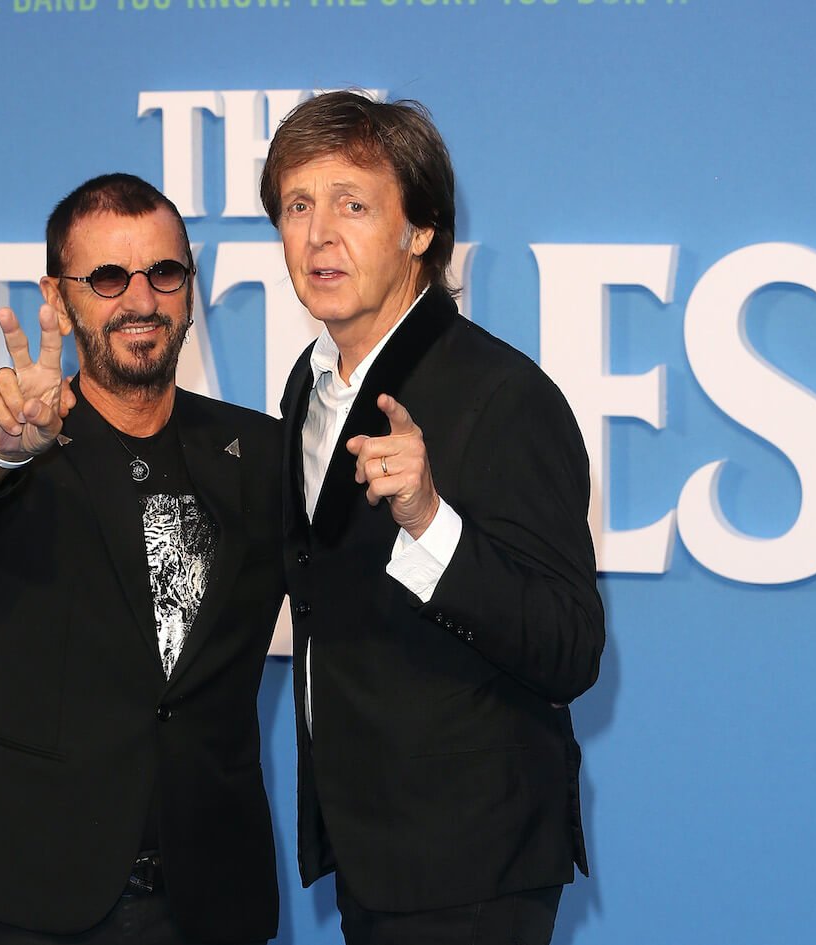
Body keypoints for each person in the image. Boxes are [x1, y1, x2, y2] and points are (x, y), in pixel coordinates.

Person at [0, 174, 283, 945]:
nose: (141, 300)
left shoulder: (259, 451)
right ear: (59, 295)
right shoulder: (20, 433)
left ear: (189, 287)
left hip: (210, 897)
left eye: (164, 273)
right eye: (108, 277)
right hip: (45, 892)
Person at [260, 92, 606, 945]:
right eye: (297, 206)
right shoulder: (308, 387)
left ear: (421, 231)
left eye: (352, 203)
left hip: (472, 861)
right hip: (372, 849)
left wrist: (429, 519)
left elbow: (568, 646)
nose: (317, 234)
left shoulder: (503, 395)